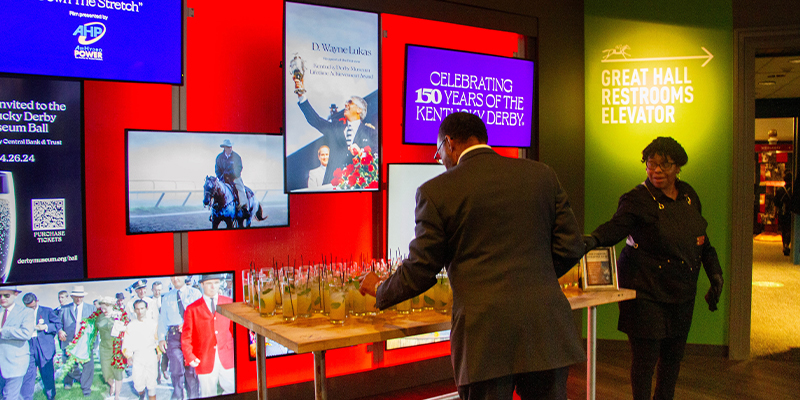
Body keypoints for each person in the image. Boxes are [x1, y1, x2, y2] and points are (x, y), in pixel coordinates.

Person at [359, 112, 585, 400]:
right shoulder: (542, 175)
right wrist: (533, 276)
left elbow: (421, 269)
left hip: (485, 338)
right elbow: (572, 247)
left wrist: (380, 289)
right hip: (546, 330)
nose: (440, 160)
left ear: (450, 143)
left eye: (438, 152)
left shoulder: (436, 191)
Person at [584, 137, 724, 400]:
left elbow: (702, 241)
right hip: (645, 290)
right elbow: (615, 228)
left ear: (678, 167)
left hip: (682, 292)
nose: (656, 170)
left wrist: (715, 273)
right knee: (645, 361)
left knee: (672, 360)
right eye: (651, 163)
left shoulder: (689, 196)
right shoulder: (637, 199)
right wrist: (590, 241)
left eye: (665, 164)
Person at [293, 77, 377, 185]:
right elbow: (316, 120)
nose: (346, 104)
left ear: (359, 110)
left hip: (358, 187)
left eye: (350, 102)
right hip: (331, 186)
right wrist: (301, 95)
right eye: (346, 102)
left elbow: (377, 157)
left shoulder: (370, 132)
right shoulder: (335, 127)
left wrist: (361, 153)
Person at [182, 275, 235, 397]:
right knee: (208, 393)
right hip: (204, 359)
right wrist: (189, 355)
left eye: (216, 283)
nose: (213, 286)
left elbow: (234, 330)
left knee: (232, 389)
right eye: (209, 283)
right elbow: (186, 336)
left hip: (227, 356)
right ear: (202, 285)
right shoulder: (192, 309)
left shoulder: (229, 303)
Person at [159, 275, 201, 400]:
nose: (175, 279)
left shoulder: (195, 293)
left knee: (191, 371)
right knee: (176, 369)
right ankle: (178, 396)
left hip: (191, 336)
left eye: (178, 276)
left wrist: (188, 322)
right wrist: (161, 338)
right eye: (172, 277)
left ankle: (193, 396)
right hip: (174, 337)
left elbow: (200, 313)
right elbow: (162, 320)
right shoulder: (167, 298)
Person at [20, 293, 61, 400]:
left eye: (33, 307)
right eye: (28, 307)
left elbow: (57, 325)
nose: (31, 309)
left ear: (37, 301)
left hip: (44, 347)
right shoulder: (21, 313)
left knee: (47, 374)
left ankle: (50, 396)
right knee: (28, 375)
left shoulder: (47, 311)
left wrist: (45, 326)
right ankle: (26, 397)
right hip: (28, 346)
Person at [57, 285, 96, 396]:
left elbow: (95, 325)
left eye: (81, 296)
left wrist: (92, 341)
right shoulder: (64, 309)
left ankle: (86, 389)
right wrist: (60, 330)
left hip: (85, 343)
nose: (78, 299)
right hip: (68, 342)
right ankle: (79, 379)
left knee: (88, 366)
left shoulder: (91, 308)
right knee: (68, 364)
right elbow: (58, 323)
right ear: (72, 296)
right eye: (76, 296)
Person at [0, 286, 35, 400]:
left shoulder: (26, 312)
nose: (2, 298)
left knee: (9, 396)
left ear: (15, 294)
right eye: (0, 295)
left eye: (6, 295)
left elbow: (26, 333)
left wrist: (3, 331)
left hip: (15, 362)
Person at [123, 300, 159, 400]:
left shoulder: (153, 324)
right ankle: (141, 394)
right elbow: (127, 342)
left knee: (151, 384)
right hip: (138, 356)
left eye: (142, 308)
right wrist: (129, 356)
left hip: (150, 355)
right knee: (138, 382)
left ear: (146, 309)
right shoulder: (131, 325)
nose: (140, 311)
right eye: (137, 309)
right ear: (134, 310)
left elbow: (157, 339)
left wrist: (159, 352)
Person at [96, 297, 126, 400]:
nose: (103, 311)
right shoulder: (99, 317)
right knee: (105, 372)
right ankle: (111, 384)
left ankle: (117, 395)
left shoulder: (119, 315)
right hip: (104, 347)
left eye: (105, 308)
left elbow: (126, 328)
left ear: (111, 306)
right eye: (102, 308)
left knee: (118, 372)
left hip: (116, 347)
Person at [215, 139, 248, 212]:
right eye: (228, 147)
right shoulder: (219, 157)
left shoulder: (236, 157)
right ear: (224, 148)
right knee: (215, 189)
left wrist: (232, 174)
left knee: (240, 188)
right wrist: (221, 177)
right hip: (223, 179)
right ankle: (215, 207)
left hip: (234, 178)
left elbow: (239, 168)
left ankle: (244, 206)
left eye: (231, 147)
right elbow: (217, 169)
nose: (230, 148)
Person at [774, 171, 793, 256]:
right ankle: (787, 244)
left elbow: (776, 203)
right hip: (790, 213)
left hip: (782, 213)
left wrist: (776, 213)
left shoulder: (780, 190)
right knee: (789, 229)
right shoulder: (793, 191)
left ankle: (784, 245)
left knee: (783, 230)